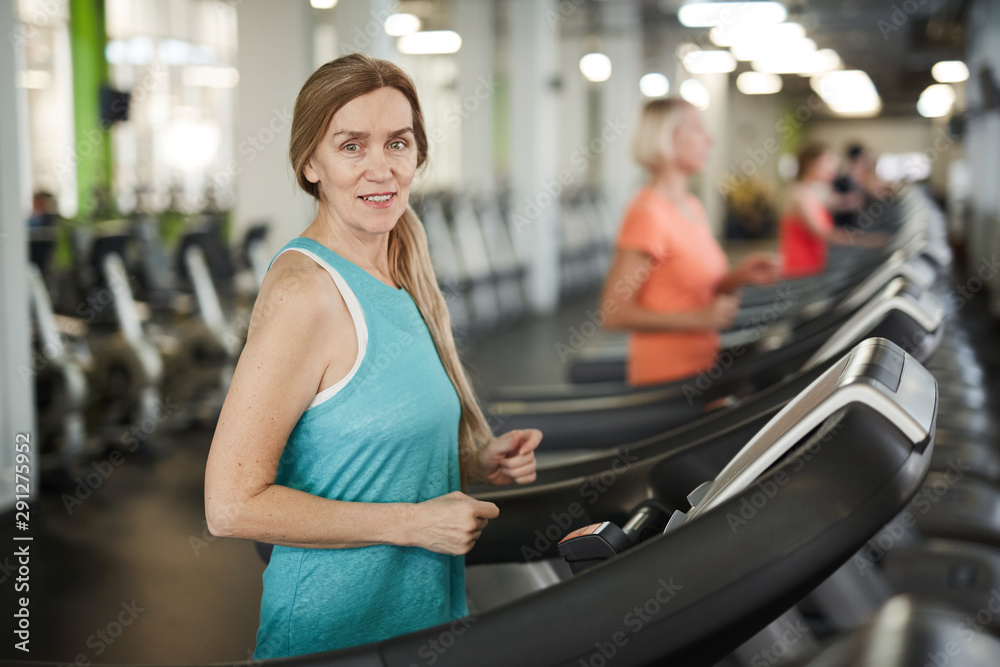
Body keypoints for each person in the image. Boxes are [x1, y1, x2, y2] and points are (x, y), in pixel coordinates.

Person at [203, 54, 541, 659]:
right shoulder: (306, 292)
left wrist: (472, 459)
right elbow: (229, 506)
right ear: (312, 163)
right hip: (333, 642)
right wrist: (413, 525)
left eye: (398, 143)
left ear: (419, 156)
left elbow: (363, 450)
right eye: (352, 146)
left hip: (421, 628)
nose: (380, 168)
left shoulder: (400, 273)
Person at [600, 98, 780, 387]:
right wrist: (698, 319)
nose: (710, 138)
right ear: (666, 138)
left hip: (703, 366)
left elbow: (698, 293)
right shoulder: (648, 213)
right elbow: (613, 313)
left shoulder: (692, 206)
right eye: (697, 128)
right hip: (666, 378)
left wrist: (740, 276)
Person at [778, 142, 878, 277]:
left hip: (813, 265)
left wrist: (860, 173)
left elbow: (850, 202)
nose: (832, 168)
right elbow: (825, 233)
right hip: (801, 270)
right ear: (812, 165)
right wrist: (869, 241)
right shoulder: (800, 195)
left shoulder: (815, 192)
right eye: (827, 162)